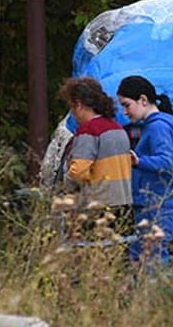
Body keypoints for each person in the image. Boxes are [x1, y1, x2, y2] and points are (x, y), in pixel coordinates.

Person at [116, 75, 173, 268]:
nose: (124, 112)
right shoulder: (154, 126)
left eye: (126, 105)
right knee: (143, 267)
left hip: (155, 208)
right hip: (152, 207)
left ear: (143, 100)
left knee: (152, 272)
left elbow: (168, 162)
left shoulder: (157, 127)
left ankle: (171, 300)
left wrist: (139, 161)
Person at [56, 76, 134, 240]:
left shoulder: (89, 131)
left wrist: (66, 186)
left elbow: (78, 172)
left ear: (78, 104)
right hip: (124, 204)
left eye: (71, 106)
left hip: (98, 207)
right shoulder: (118, 128)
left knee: (93, 257)